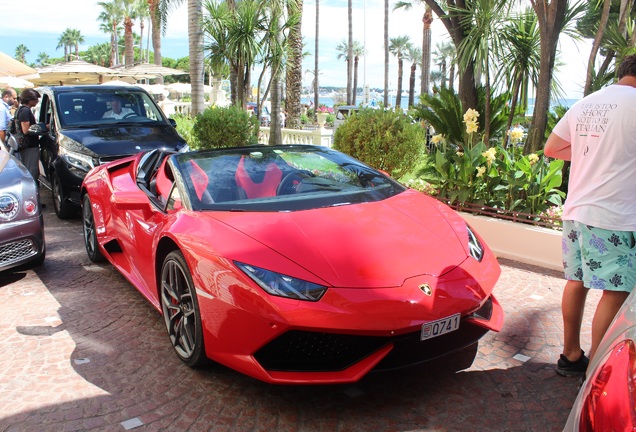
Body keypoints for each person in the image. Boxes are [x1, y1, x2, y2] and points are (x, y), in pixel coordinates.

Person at [544, 54, 636, 378]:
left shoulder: (588, 103)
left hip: (576, 211)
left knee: (577, 282)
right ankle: (595, 371)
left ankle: (570, 355)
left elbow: (552, 148)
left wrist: (593, 156)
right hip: (613, 216)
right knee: (617, 291)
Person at [15, 88, 42, 182]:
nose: (37, 101)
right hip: (29, 145)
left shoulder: (20, 110)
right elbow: (26, 130)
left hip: (25, 145)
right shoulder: (25, 111)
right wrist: (41, 127)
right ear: (30, 99)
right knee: (31, 170)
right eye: (36, 99)